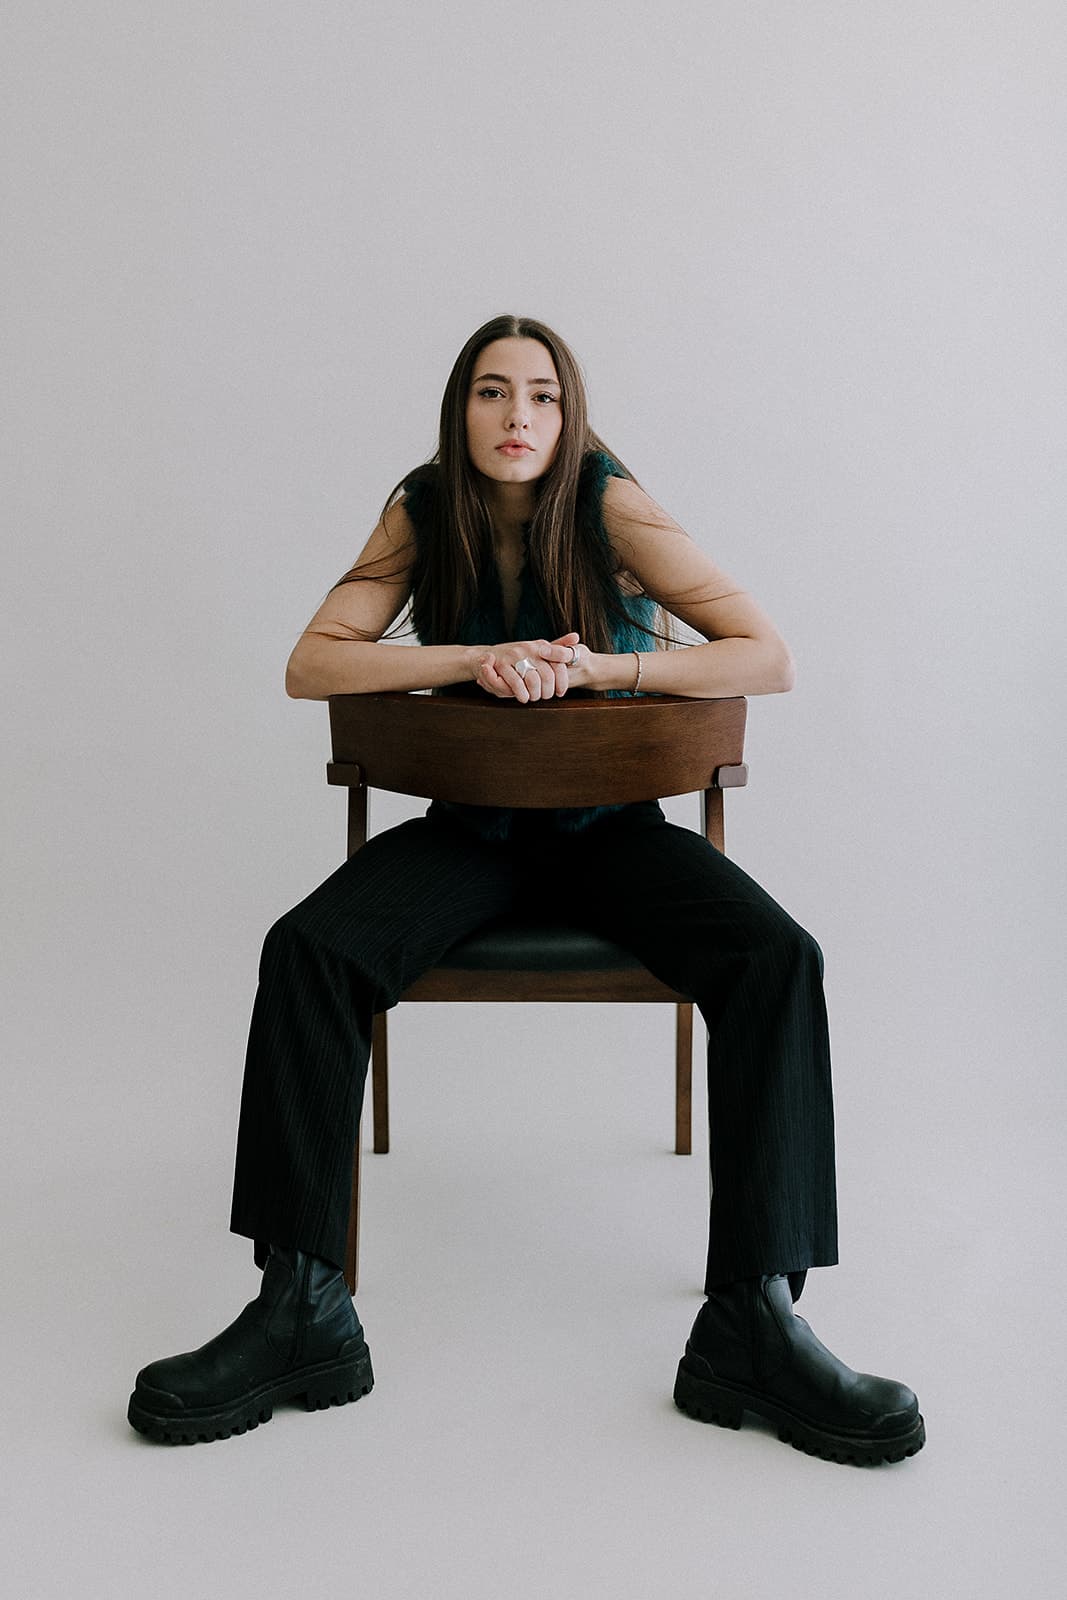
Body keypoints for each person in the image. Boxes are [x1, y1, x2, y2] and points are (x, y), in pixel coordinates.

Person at [128, 314, 924, 1464]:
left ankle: (752, 1319)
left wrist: (600, 668)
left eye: (542, 397)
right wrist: (467, 660)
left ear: (569, 414)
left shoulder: (606, 501)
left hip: (609, 830)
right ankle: (301, 1307)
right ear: (460, 411)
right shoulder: (422, 507)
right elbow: (312, 662)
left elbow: (764, 652)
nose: (517, 419)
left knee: (775, 955)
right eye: (493, 394)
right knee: (307, 948)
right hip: (471, 831)